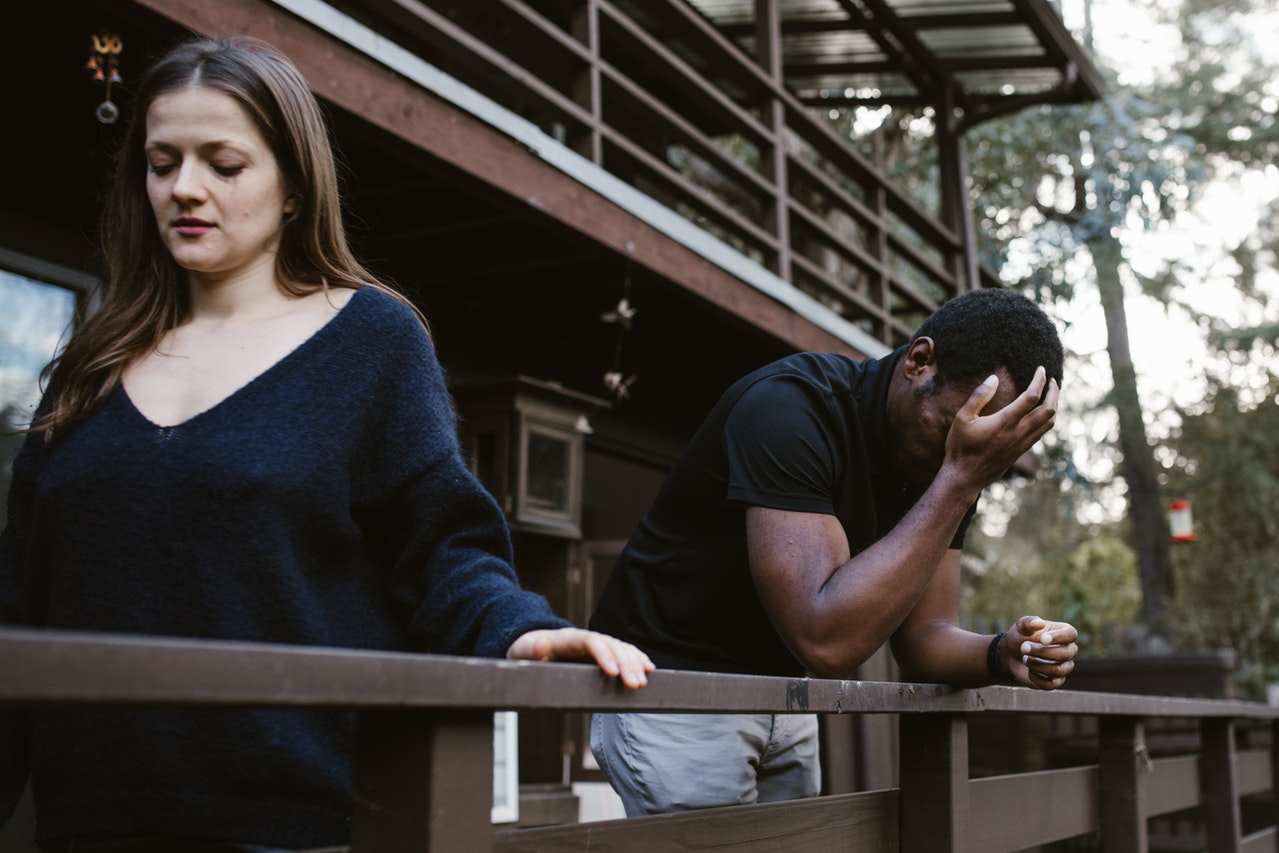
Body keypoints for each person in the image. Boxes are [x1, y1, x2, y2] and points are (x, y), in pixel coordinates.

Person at [0, 37, 653, 850]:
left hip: (299, 826)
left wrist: (517, 627)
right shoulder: (94, 361)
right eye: (161, 162)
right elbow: (21, 593)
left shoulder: (372, 341)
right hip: (86, 826)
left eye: (224, 164)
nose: (185, 188)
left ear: (294, 187)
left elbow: (443, 548)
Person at [589, 288, 1078, 816]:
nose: (954, 460)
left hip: (784, 694)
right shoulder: (790, 408)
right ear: (919, 361)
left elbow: (923, 638)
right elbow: (825, 639)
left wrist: (1000, 653)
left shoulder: (957, 463)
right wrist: (960, 481)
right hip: (677, 688)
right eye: (950, 434)